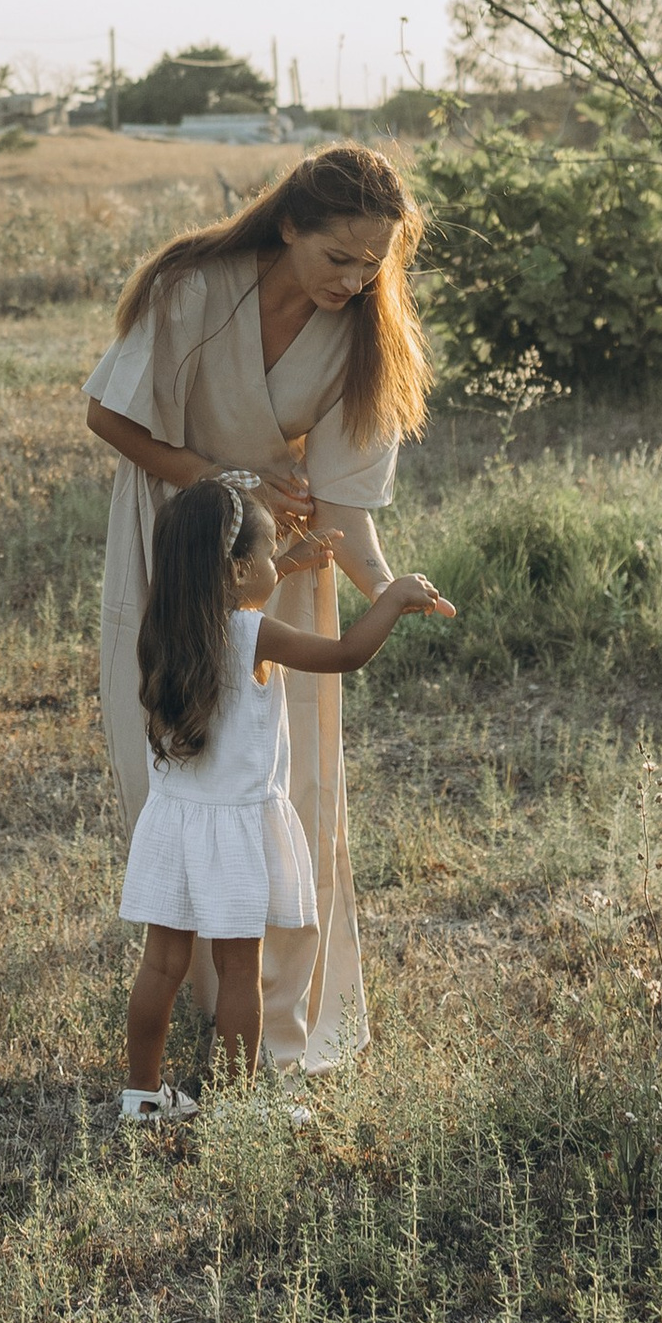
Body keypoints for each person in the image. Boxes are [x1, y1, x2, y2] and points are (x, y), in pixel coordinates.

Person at [85, 142, 430, 1071]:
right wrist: (220, 483)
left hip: (272, 565)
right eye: (340, 260)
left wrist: (386, 592)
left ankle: (275, 1027)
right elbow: (109, 416)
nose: (358, 282)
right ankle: (195, 1000)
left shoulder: (369, 335)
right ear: (289, 226)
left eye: (375, 265)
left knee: (286, 789)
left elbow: (348, 502)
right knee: (165, 769)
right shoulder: (192, 288)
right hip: (174, 541)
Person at [119, 474, 455, 1120]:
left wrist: (289, 563)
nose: (280, 563)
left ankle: (140, 1095)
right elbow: (346, 654)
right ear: (240, 571)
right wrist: (394, 596)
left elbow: (238, 596)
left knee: (161, 965)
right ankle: (243, 1105)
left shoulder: (163, 628)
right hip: (236, 833)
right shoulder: (251, 635)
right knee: (240, 971)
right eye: (271, 555)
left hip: (176, 825)